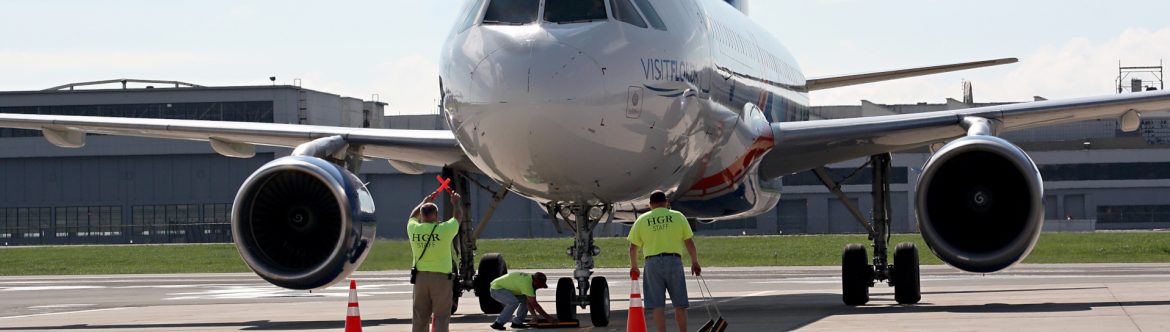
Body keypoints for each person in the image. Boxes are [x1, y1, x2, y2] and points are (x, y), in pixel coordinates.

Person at [627, 190, 701, 332]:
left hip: (652, 263)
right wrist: (694, 262)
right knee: (680, 304)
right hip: (674, 261)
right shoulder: (678, 217)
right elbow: (689, 243)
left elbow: (632, 248)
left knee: (657, 305)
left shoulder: (642, 220)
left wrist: (634, 266)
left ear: (650, 205)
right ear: (666, 202)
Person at [408, 189, 463, 332]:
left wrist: (424, 202)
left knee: (420, 316)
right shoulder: (444, 230)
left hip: (420, 279)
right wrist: (456, 204)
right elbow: (458, 218)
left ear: (421, 215)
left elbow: (411, 216)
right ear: (436, 216)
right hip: (441, 279)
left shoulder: (413, 229)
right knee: (441, 317)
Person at [488, 271, 556, 330]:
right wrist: (548, 317)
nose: (539, 288)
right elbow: (535, 304)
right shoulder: (527, 285)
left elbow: (529, 302)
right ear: (535, 282)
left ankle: (517, 322)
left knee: (525, 299)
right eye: (539, 286)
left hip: (506, 289)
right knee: (513, 302)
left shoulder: (530, 279)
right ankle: (498, 323)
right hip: (496, 289)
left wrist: (534, 316)